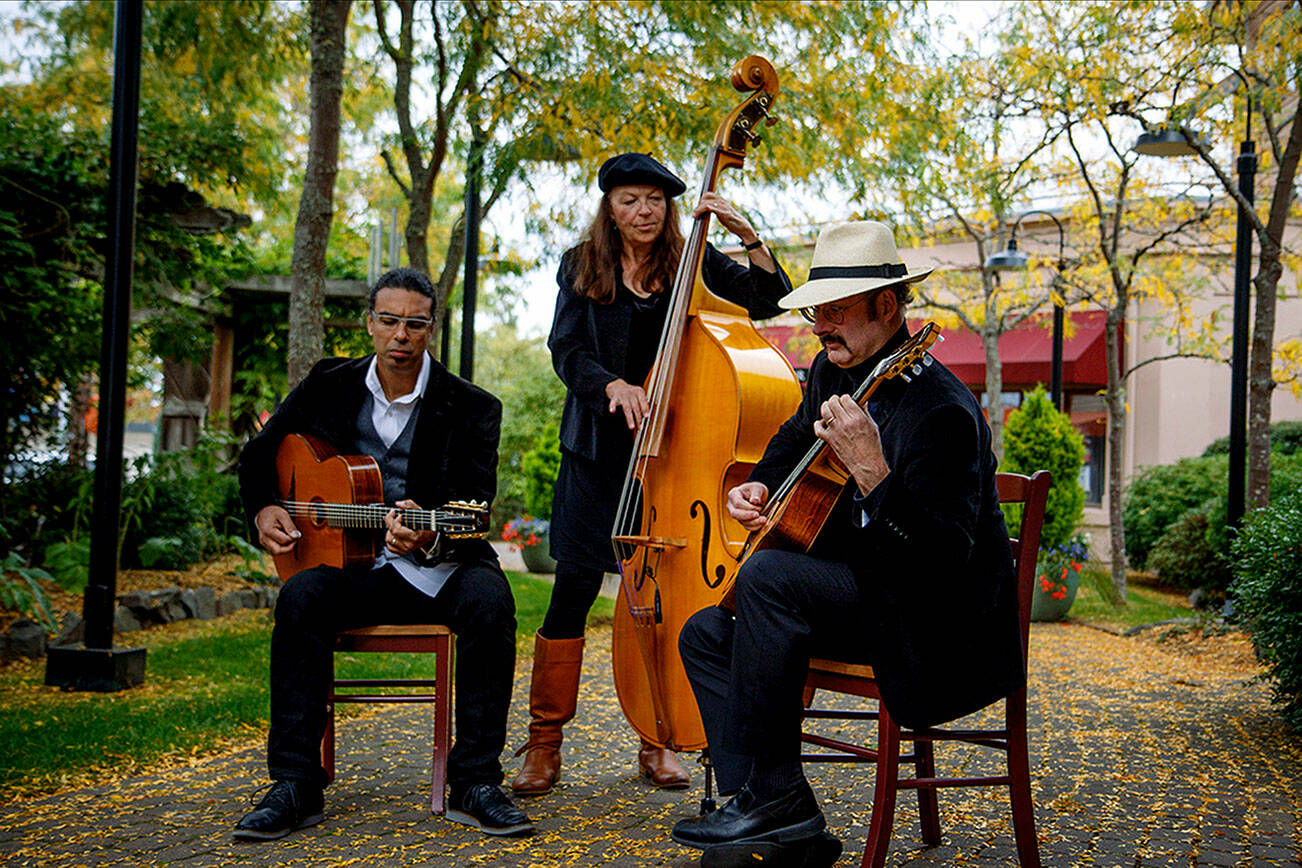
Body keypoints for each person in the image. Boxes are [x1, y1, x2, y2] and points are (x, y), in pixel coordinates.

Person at [670, 221, 1026, 855]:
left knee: (769, 579)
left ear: (886, 305)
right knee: (704, 632)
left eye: (833, 310)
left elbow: (940, 562)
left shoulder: (941, 410)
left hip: (931, 618)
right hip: (865, 591)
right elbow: (790, 441)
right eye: (815, 311)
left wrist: (872, 470)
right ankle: (778, 813)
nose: (818, 324)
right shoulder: (835, 372)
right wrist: (757, 485)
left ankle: (774, 806)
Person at [511, 153, 794, 796]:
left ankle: (657, 738)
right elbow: (566, 349)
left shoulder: (693, 264)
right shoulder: (581, 265)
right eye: (630, 200)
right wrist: (611, 384)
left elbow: (771, 301)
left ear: (670, 208)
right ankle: (544, 742)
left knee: (661, 601)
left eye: (656, 201)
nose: (644, 211)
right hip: (595, 454)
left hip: (669, 464)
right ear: (609, 206)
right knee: (573, 591)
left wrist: (747, 236)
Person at [233, 267, 533, 841]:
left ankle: (474, 780)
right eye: (389, 320)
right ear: (370, 324)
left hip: (436, 566)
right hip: (349, 566)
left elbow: (474, 511)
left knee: (490, 601)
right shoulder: (328, 384)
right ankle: (295, 782)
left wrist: (430, 535)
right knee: (299, 598)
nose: (401, 334)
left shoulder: (472, 408)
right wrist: (266, 507)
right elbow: (261, 452)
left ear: (431, 330)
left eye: (415, 324)